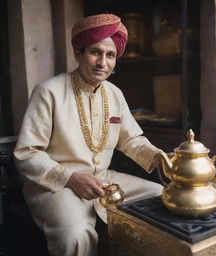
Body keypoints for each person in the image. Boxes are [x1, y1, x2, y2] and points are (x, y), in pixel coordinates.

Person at [14, 13, 164, 256]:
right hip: (57, 185)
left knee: (159, 197)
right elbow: (26, 153)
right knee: (76, 235)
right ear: (79, 53)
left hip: (104, 179)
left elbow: (131, 139)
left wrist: (161, 159)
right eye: (95, 52)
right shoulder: (48, 92)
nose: (102, 62)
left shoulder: (115, 93)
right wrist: (71, 179)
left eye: (110, 55)